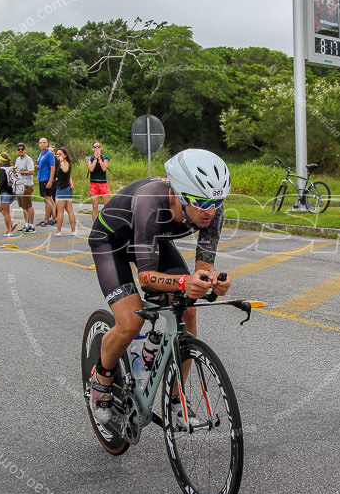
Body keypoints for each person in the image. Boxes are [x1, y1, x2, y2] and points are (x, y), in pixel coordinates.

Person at [86, 148, 232, 425]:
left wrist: (213, 280)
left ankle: (177, 401)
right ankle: (101, 380)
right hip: (111, 243)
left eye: (217, 201)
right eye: (201, 202)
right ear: (179, 195)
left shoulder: (212, 209)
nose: (210, 211)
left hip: (153, 242)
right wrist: (181, 281)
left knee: (188, 311)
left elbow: (202, 267)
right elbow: (146, 277)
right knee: (130, 322)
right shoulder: (149, 202)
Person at [52, 147, 77, 236]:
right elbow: (68, 175)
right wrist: (71, 183)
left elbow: (65, 170)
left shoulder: (64, 163)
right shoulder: (61, 163)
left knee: (60, 211)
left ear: (65, 155)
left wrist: (62, 161)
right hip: (67, 188)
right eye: (57, 154)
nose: (58, 156)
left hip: (62, 189)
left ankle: (59, 231)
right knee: (69, 209)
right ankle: (73, 230)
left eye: (60, 154)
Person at [13, 142, 36, 233]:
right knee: (23, 206)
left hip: (27, 184)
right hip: (19, 184)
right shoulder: (17, 159)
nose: (20, 151)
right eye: (19, 149)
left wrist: (20, 172)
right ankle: (26, 224)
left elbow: (31, 172)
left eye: (22, 149)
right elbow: (15, 171)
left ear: (25, 150)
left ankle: (31, 225)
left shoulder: (28, 159)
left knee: (28, 205)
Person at [86, 141, 110, 222]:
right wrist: (95, 158)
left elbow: (104, 168)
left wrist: (100, 158)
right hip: (93, 184)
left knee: (106, 205)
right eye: (95, 147)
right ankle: (95, 224)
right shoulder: (89, 159)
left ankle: (107, 223)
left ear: (101, 148)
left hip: (103, 183)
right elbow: (91, 169)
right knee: (95, 206)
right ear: (92, 149)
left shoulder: (105, 157)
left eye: (98, 147)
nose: (97, 148)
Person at [0, 152, 18, 238]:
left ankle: (9, 231)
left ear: (2, 160)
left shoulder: (2, 169)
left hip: (5, 192)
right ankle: (12, 222)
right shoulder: (12, 167)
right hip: (13, 191)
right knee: (0, 208)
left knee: (6, 212)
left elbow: (2, 182)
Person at [36, 137, 57, 227]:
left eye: (44, 142)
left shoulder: (49, 154)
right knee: (48, 199)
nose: (42, 144)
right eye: (41, 142)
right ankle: (54, 218)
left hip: (46, 178)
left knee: (48, 199)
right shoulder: (41, 153)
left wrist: (50, 181)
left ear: (47, 143)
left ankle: (47, 219)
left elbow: (53, 167)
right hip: (41, 178)